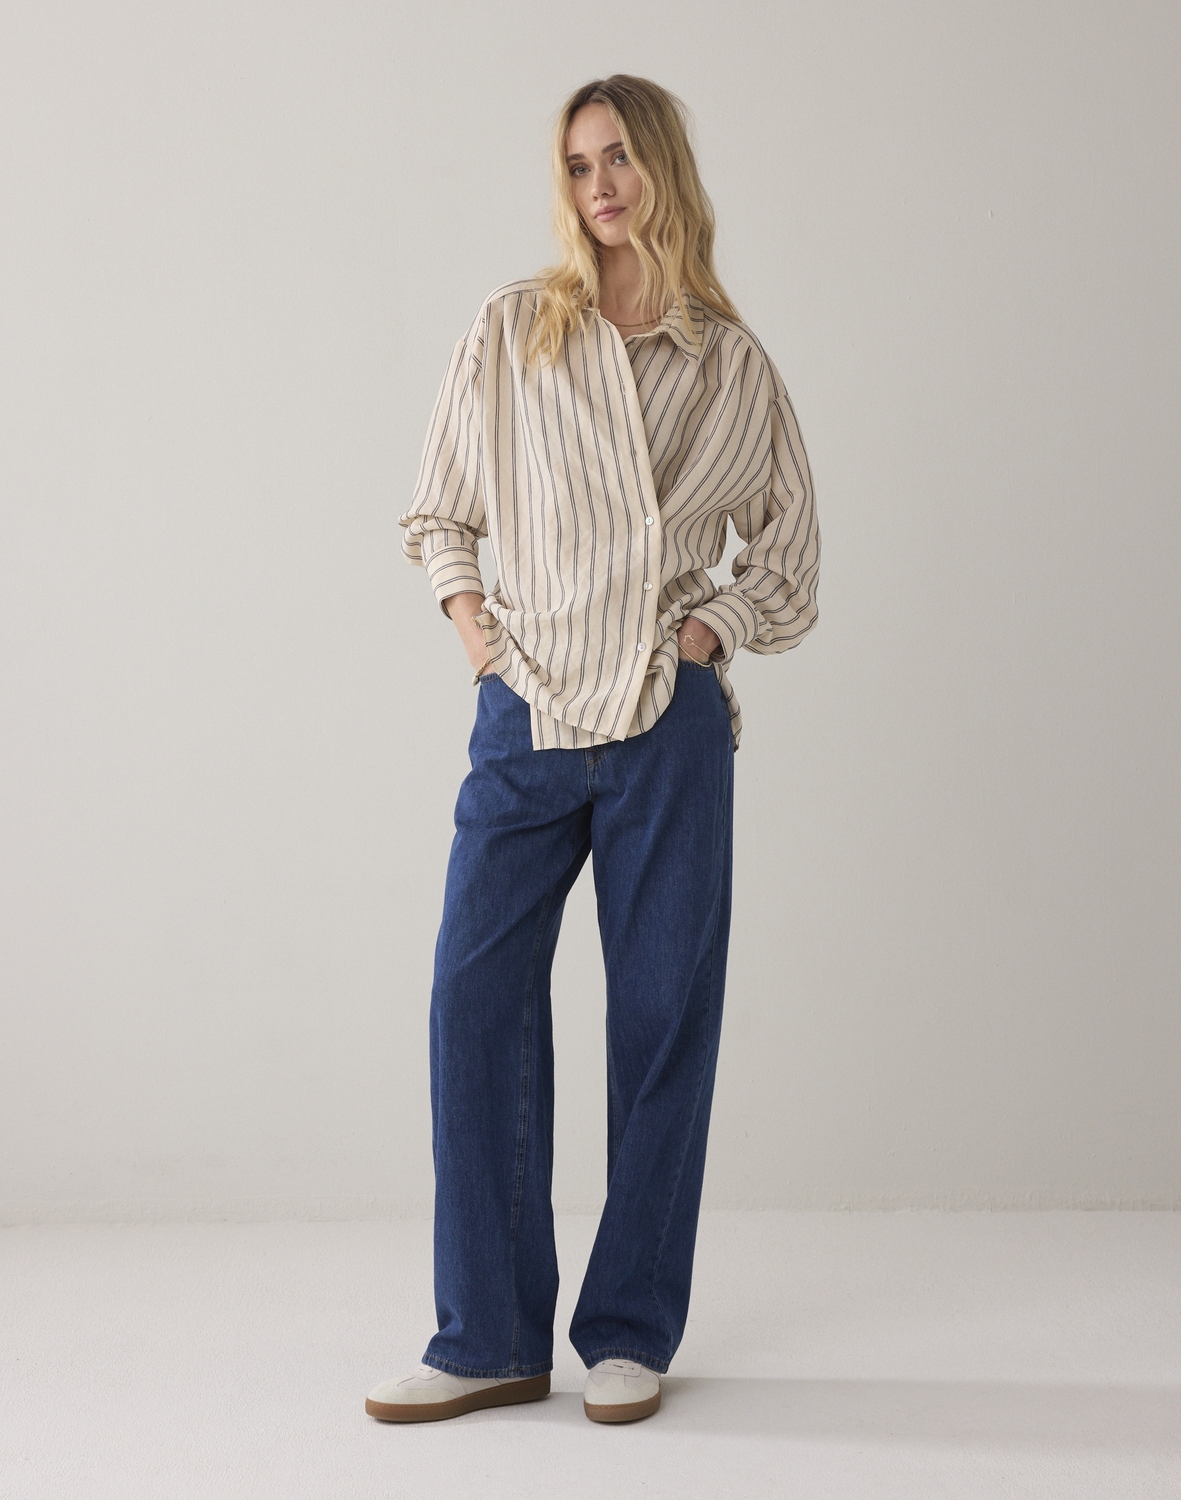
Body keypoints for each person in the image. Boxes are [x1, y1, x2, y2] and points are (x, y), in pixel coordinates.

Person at [366, 74, 819, 1426]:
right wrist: (481, 647)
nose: (600, 185)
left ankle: (629, 1329)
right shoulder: (517, 330)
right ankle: (488, 1336)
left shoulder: (731, 367)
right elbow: (440, 512)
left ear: (662, 166)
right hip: (527, 715)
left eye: (619, 157)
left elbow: (790, 557)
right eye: (577, 165)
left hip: (667, 727)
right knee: (474, 999)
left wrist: (706, 635)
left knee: (663, 1022)